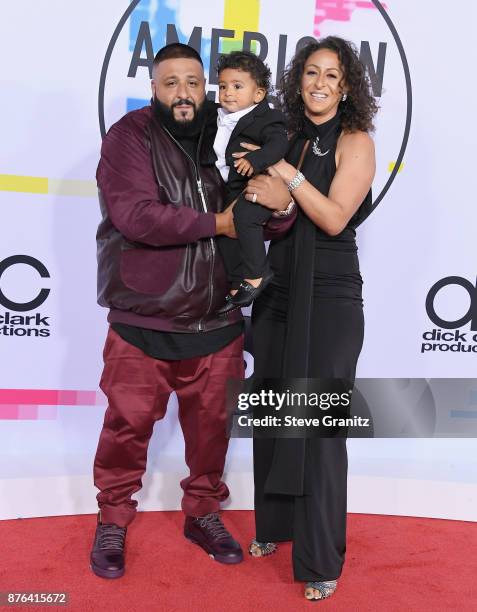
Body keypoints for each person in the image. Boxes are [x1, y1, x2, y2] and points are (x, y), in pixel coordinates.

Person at [90, 42, 295, 579]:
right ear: (153, 87)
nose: (183, 93)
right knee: (126, 427)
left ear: (205, 84)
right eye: (169, 82)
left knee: (213, 432)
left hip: (219, 317)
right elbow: (137, 217)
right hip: (144, 319)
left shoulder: (227, 132)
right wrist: (219, 224)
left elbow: (261, 214)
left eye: (192, 82)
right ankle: (113, 517)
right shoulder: (129, 137)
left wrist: (281, 207)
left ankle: (202, 513)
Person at [238, 36, 378, 601]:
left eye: (332, 76)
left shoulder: (355, 141)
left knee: (318, 429)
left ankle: (322, 557)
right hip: (278, 288)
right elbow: (262, 203)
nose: (319, 83)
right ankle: (274, 526)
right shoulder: (285, 136)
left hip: (331, 295)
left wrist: (290, 182)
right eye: (311, 73)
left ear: (346, 88)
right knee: (273, 411)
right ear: (298, 80)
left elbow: (336, 219)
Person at [212, 51, 289, 314]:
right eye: (223, 86)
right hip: (233, 189)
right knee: (225, 231)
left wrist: (256, 160)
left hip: (261, 185)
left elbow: (279, 143)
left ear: (258, 94)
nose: (228, 93)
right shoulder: (217, 116)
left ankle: (258, 272)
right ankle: (237, 286)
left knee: (244, 217)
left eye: (237, 86)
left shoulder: (267, 117)